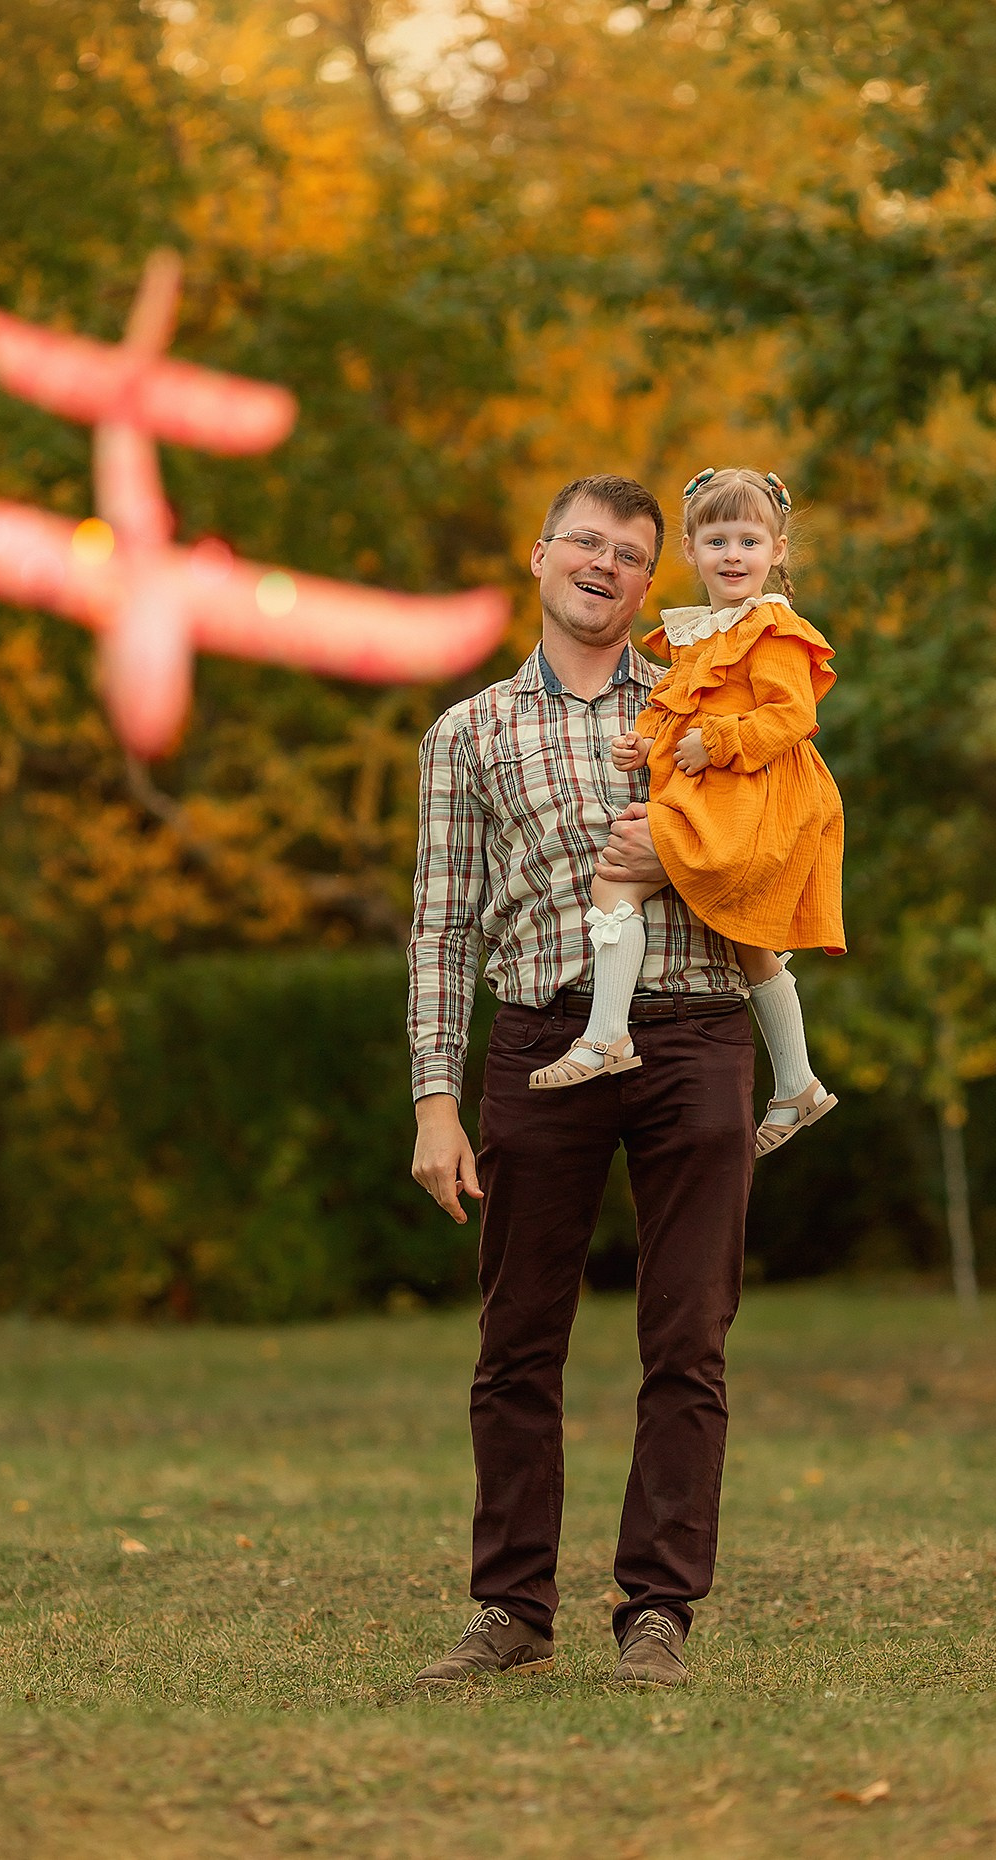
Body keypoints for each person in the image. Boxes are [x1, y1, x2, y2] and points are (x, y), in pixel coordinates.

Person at [407, 474, 756, 1690]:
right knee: (516, 1343)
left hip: (698, 1031)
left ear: (649, 583)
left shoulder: (705, 705)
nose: (604, 565)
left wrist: (682, 858)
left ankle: (658, 1612)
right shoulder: (466, 734)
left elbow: (780, 852)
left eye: (630, 555)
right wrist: (434, 1100)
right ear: (542, 554)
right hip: (538, 1043)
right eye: (586, 543)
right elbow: (440, 929)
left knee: (687, 1340)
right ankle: (509, 1610)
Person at [528, 466, 844, 1158]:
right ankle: (798, 1082)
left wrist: (718, 742)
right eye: (717, 541)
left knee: (618, 874)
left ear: (777, 552)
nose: (733, 556)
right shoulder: (703, 635)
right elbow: (688, 711)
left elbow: (791, 715)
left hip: (756, 795)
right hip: (726, 788)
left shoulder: (771, 628)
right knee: (744, 936)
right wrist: (650, 745)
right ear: (692, 552)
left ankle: (606, 1034)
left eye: (749, 542)